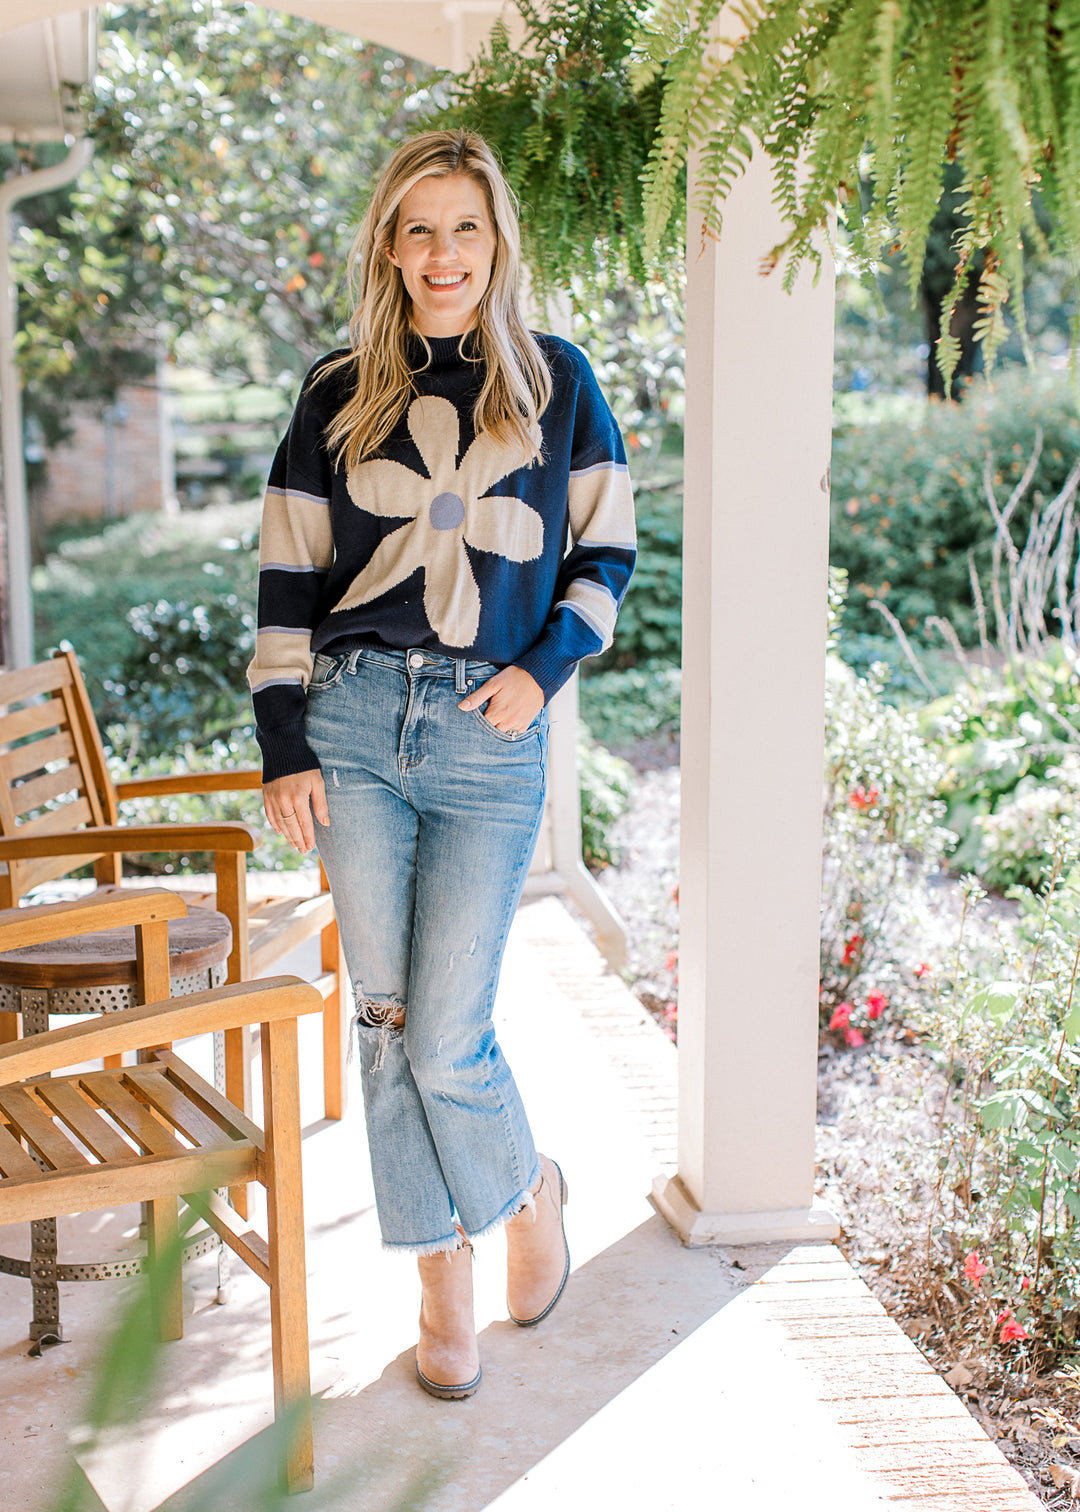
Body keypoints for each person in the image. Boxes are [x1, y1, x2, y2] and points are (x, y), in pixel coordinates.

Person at [247, 128, 636, 1399]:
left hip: (488, 733)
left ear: (498, 242)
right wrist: (282, 744)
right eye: (419, 228)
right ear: (388, 245)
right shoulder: (334, 391)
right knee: (385, 1023)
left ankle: (529, 1195)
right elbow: (286, 580)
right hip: (354, 729)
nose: (443, 253)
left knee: (447, 1037)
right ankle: (440, 1281)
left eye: (465, 227)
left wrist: (543, 670)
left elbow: (607, 557)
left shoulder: (559, 384)